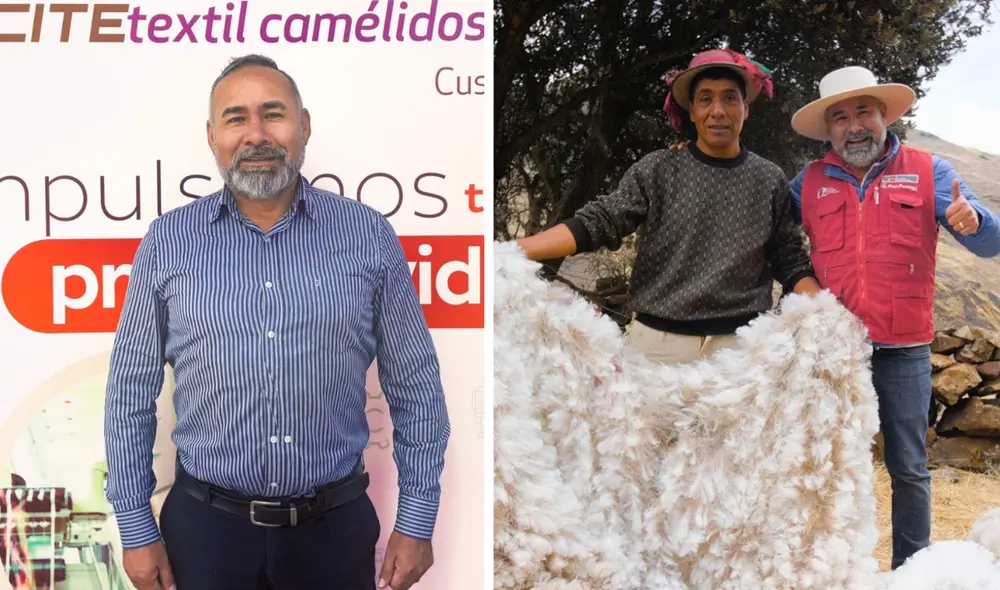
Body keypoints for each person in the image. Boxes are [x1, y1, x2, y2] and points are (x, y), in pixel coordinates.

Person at [104, 54, 450, 590]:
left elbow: (416, 387)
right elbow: (129, 394)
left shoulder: (367, 236)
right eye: (236, 118)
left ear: (304, 125)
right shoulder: (168, 243)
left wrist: (418, 518)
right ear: (213, 135)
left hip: (333, 534)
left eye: (274, 113)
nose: (256, 134)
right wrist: (134, 526)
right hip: (204, 535)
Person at [788, 65, 1000, 569]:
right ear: (828, 129)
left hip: (903, 350)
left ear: (884, 114)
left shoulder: (931, 171)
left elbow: (991, 243)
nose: (854, 125)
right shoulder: (809, 182)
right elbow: (765, 229)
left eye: (864, 111)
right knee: (829, 464)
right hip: (832, 353)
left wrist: (976, 220)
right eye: (840, 117)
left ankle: (910, 571)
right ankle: (832, 568)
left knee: (908, 466)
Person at [516, 48, 821, 364]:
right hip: (657, 349)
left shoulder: (770, 179)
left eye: (730, 98)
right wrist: (513, 252)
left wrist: (826, 312)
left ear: (746, 108)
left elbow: (788, 257)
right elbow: (601, 220)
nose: (718, 110)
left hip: (741, 351)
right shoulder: (658, 169)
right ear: (691, 111)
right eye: (705, 99)